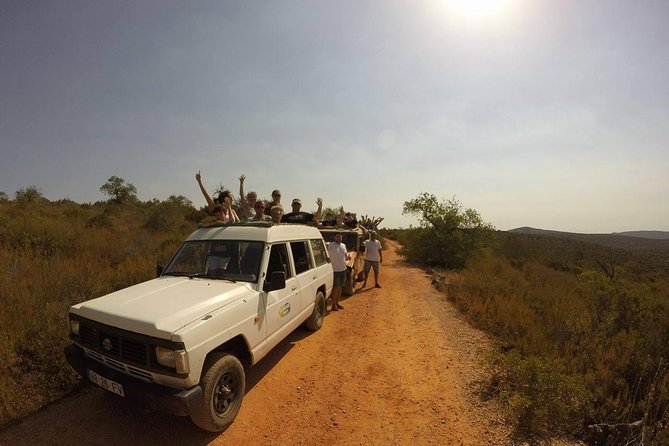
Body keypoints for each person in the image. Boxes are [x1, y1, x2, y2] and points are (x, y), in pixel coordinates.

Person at [327, 232, 349, 311]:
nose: (339, 238)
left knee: (340, 287)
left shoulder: (343, 245)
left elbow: (346, 256)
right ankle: (333, 305)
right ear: (334, 237)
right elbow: (323, 245)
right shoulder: (330, 245)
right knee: (336, 288)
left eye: (340, 237)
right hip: (335, 270)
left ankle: (337, 303)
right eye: (337, 237)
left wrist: (348, 258)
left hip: (343, 269)